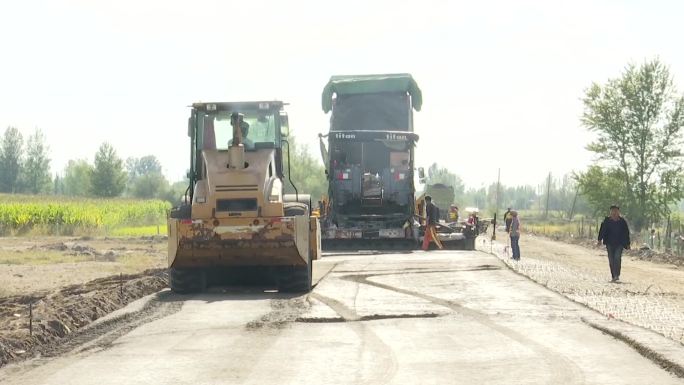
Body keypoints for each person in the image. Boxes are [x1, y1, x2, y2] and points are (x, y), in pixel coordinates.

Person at [597, 205, 630, 282]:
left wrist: (628, 243)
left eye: (616, 211)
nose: (614, 213)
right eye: (612, 211)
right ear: (610, 212)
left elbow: (626, 233)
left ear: (619, 212)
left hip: (620, 243)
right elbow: (602, 231)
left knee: (617, 258)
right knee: (611, 259)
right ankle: (613, 276)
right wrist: (599, 240)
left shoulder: (622, 222)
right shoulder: (606, 221)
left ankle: (617, 275)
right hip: (609, 243)